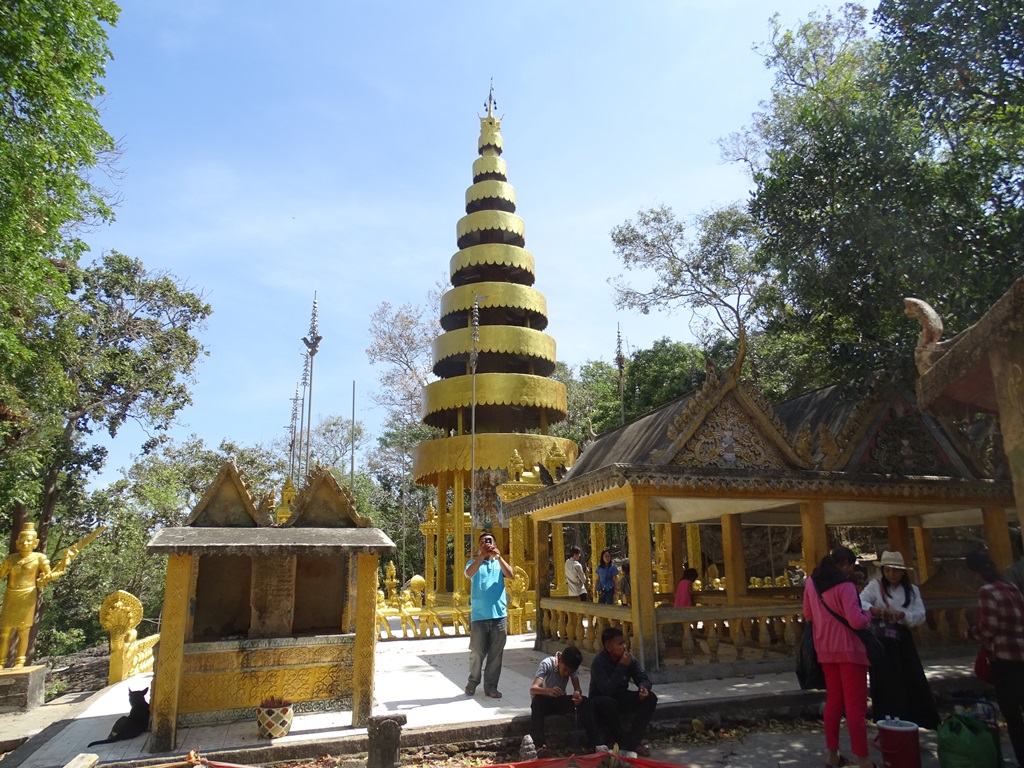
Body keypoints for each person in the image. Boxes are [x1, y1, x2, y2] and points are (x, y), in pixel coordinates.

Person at [803, 546, 875, 768]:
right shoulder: (845, 587)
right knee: (855, 707)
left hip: (825, 649)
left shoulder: (811, 584)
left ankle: (832, 756)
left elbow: (808, 614)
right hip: (850, 651)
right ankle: (863, 760)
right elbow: (855, 621)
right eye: (851, 566)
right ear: (844, 565)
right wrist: (868, 615)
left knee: (834, 702)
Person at [858, 550, 939, 729]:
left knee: (909, 678)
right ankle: (886, 720)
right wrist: (874, 610)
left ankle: (914, 719)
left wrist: (903, 615)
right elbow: (859, 601)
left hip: (902, 638)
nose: (891, 574)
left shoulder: (912, 591)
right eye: (888, 570)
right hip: (881, 640)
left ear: (903, 572)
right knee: (884, 680)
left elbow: (920, 614)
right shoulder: (875, 586)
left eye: (895, 571)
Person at [964, 548, 1024, 767]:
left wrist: (969, 632)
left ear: (973, 572)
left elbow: (989, 628)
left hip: (1004, 657)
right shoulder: (1012, 588)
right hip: (1021, 654)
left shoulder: (987, 591)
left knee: (1013, 715)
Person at [589, 626, 657, 758]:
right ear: (608, 647)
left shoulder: (628, 659)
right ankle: (622, 743)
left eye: (624, 642)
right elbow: (606, 690)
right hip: (600, 699)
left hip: (620, 696)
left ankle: (634, 742)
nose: (624, 646)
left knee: (651, 698)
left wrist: (644, 688)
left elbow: (642, 677)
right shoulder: (599, 663)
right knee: (608, 703)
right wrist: (621, 666)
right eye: (620, 644)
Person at [529, 646, 605, 755]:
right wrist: (548, 691)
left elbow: (577, 689)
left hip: (559, 700)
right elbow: (533, 689)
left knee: (586, 702)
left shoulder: (571, 669)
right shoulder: (547, 664)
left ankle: (596, 743)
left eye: (569, 672)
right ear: (560, 660)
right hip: (545, 701)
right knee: (537, 702)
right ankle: (540, 745)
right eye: (564, 669)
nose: (566, 674)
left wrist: (577, 695)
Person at [1, 523, 58, 668]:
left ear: (35, 543)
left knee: (23, 629)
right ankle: (1, 661)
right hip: (11, 595)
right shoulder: (11, 559)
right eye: (22, 540)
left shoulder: (39, 558)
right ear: (17, 543)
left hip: (28, 595)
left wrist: (56, 571)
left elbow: (49, 575)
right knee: (5, 630)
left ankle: (20, 660)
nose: (25, 543)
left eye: (28, 541)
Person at [464, 531, 513, 698]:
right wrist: (482, 555)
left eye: (490, 541)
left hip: (499, 616)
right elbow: (469, 573)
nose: (487, 544)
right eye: (484, 542)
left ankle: (491, 686)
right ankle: (473, 682)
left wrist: (498, 556)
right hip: (479, 617)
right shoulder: (473, 563)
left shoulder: (499, 564)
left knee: (496, 655)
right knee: (476, 652)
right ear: (479, 546)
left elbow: (510, 574)